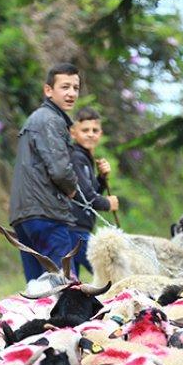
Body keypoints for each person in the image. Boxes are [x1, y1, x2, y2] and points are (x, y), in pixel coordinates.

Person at [8, 63, 82, 281]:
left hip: (24, 216)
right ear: (48, 90)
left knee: (37, 289)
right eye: (65, 87)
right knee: (64, 286)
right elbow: (60, 170)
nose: (71, 93)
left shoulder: (36, 119)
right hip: (46, 213)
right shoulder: (51, 120)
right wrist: (72, 190)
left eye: (76, 88)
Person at [67, 107, 119, 275]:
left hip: (79, 228)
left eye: (94, 130)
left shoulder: (85, 158)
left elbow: (91, 191)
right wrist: (107, 203)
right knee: (107, 273)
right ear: (73, 133)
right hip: (75, 229)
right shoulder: (76, 157)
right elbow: (86, 198)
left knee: (72, 280)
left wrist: (102, 178)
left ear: (100, 134)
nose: (90, 134)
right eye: (85, 130)